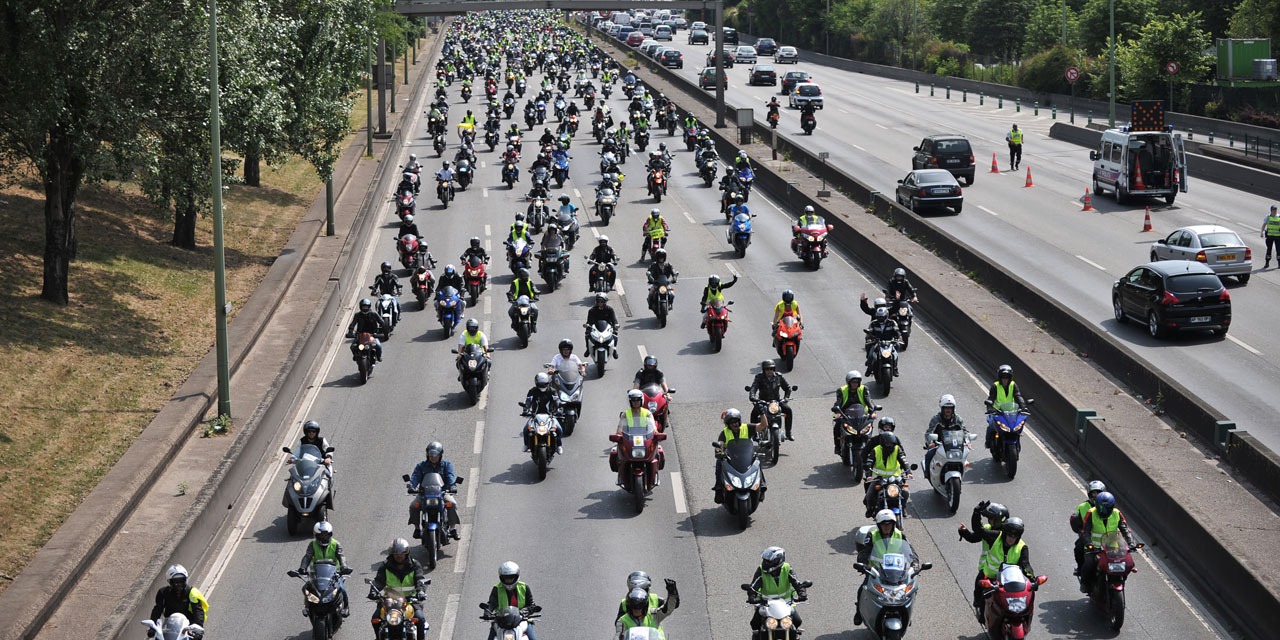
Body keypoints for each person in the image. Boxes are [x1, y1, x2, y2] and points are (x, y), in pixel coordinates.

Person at [961, 516, 1035, 622]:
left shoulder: (1022, 547)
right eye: (1009, 535)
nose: (1011, 538)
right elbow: (979, 531)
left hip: (1009, 582)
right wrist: (976, 513)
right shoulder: (995, 537)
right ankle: (982, 614)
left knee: (1023, 605)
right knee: (980, 594)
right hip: (990, 578)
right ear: (1005, 533)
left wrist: (1032, 580)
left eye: (1014, 536)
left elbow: (1026, 565)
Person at [854, 509, 919, 626]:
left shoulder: (900, 535)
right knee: (862, 589)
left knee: (912, 588)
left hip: (897, 572)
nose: (887, 527)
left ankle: (907, 612)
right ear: (879, 525)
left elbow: (910, 552)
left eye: (889, 524)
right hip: (876, 571)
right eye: (884, 524)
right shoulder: (872, 535)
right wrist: (864, 564)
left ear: (894, 524)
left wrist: (914, 563)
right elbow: (864, 552)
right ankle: (858, 612)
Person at [958, 500, 1011, 621]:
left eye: (992, 518)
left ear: (999, 520)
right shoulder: (989, 529)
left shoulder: (1001, 534)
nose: (989, 521)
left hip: (1003, 574)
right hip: (985, 570)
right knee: (979, 593)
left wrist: (976, 513)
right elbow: (975, 536)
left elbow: (979, 530)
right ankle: (982, 614)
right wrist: (964, 532)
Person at [1077, 492, 1137, 592]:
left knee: (1127, 564)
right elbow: (1085, 532)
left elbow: (1124, 529)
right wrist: (1089, 544)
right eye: (1101, 508)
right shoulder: (1091, 513)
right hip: (1095, 549)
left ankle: (1119, 580)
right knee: (1089, 564)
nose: (1104, 511)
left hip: (1112, 548)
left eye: (1107, 508)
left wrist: (1131, 543)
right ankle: (1085, 583)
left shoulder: (1117, 513)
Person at [370, 538, 428, 640]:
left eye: (402, 553)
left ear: (406, 553)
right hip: (389, 601)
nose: (399, 555)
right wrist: (373, 591)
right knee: (375, 619)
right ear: (392, 553)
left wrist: (421, 591)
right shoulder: (385, 566)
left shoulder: (414, 565)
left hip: (411, 600)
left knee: (420, 618)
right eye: (396, 553)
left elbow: (420, 579)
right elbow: (378, 581)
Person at [407, 441, 461, 541]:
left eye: (435, 455)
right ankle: (417, 528)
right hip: (424, 494)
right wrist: (411, 486)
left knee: (452, 504)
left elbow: (450, 476)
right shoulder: (421, 466)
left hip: (442, 493)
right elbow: (415, 477)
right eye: (431, 455)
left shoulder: (446, 465)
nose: (433, 457)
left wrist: (452, 486)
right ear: (427, 454)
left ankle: (453, 529)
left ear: (440, 455)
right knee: (413, 506)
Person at [712, 408, 768, 503]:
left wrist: (762, 413)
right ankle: (718, 489)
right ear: (728, 424)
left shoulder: (747, 428)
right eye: (732, 423)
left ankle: (762, 486)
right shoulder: (724, 433)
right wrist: (718, 452)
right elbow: (720, 444)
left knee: (757, 461)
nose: (735, 424)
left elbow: (763, 425)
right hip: (731, 458)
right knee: (719, 462)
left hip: (746, 457)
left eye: (736, 421)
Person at [746, 547, 807, 633]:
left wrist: (802, 593)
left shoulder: (787, 568)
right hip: (765, 604)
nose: (766, 563)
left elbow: (797, 583)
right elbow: (754, 585)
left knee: (797, 621)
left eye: (769, 561)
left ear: (778, 561)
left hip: (786, 604)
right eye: (765, 560)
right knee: (755, 624)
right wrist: (751, 596)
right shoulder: (761, 570)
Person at [297, 522, 350, 617]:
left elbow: (341, 557)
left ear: (330, 534)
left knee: (341, 588)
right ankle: (307, 607)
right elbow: (307, 557)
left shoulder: (335, 544)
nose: (323, 537)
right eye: (321, 535)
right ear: (316, 535)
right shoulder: (312, 544)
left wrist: (344, 567)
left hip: (334, 572)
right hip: (317, 572)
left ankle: (346, 607)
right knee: (306, 588)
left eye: (326, 535)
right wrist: (303, 567)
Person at [487, 562, 540, 640]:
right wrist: (487, 612)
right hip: (501, 620)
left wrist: (526, 611)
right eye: (506, 578)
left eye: (511, 577)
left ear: (516, 576)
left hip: (522, 620)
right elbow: (491, 603)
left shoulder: (524, 587)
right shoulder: (497, 588)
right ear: (501, 577)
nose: (508, 580)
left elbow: (531, 604)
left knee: (533, 639)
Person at [863, 430, 910, 518]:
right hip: (878, 478)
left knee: (906, 492)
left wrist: (908, 472)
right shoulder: (876, 450)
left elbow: (904, 461)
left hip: (895, 477)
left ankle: (903, 508)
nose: (890, 446)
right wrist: (869, 476)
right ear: (883, 443)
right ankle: (870, 509)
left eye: (892, 444)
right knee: (869, 495)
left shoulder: (897, 449)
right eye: (888, 444)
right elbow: (869, 463)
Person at [149, 564, 209, 632]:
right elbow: (157, 610)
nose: (178, 584)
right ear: (170, 581)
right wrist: (152, 627)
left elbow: (198, 611)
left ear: (185, 580)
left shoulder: (192, 593)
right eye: (175, 581)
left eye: (181, 580)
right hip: (169, 629)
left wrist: (198, 627)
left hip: (188, 628)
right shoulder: (163, 592)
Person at [831, 371, 876, 454]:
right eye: (853, 382)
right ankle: (837, 446)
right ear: (849, 382)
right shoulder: (841, 390)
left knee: (869, 426)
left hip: (862, 415)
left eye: (857, 382)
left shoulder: (864, 389)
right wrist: (838, 412)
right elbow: (838, 402)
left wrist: (872, 412)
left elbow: (868, 401)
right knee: (837, 427)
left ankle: (869, 445)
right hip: (845, 415)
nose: (855, 384)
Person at [749, 359, 795, 440]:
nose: (769, 371)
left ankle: (788, 432)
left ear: (774, 369)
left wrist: (786, 398)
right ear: (764, 370)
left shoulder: (779, 377)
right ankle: (754, 433)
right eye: (767, 369)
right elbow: (753, 388)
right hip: (763, 402)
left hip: (776, 402)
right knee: (754, 413)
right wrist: (753, 397)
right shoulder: (759, 377)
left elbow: (788, 388)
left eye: (771, 369)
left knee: (788, 410)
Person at [923, 394, 966, 479]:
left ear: (953, 409)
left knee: (965, 456)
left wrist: (968, 441)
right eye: (946, 408)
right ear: (942, 408)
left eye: (950, 408)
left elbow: (964, 431)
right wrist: (931, 443)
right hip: (939, 445)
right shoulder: (936, 419)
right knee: (929, 455)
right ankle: (928, 474)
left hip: (954, 446)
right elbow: (929, 432)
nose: (948, 410)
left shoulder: (958, 419)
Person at [984, 364, 1027, 448]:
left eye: (1007, 377)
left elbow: (1018, 396)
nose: (1005, 379)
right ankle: (988, 442)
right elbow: (991, 398)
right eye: (1003, 377)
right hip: (997, 412)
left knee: (1017, 426)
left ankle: (1016, 440)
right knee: (991, 426)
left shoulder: (1013, 385)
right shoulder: (995, 386)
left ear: (1010, 378)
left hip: (1011, 412)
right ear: (1000, 377)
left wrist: (1023, 407)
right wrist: (990, 408)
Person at [1070, 480, 1108, 569]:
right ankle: (1080, 569)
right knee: (1078, 548)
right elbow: (1077, 524)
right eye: (1094, 493)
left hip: (1108, 539)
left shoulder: (1108, 506)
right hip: (1088, 538)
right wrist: (1083, 536)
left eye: (1099, 493)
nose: (1096, 496)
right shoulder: (1082, 507)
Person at [521, 373, 562, 454]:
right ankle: (526, 445)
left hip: (550, 416)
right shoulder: (532, 391)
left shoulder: (552, 391)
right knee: (526, 429)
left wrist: (559, 409)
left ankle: (559, 446)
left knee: (559, 429)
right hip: (535, 416)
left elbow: (557, 401)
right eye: (540, 384)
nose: (542, 386)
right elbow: (528, 401)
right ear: (536, 383)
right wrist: (526, 410)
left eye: (544, 384)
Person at [614, 572, 679, 621]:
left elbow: (671, 607)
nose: (637, 609)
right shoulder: (624, 607)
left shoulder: (654, 613)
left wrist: (672, 593)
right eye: (634, 607)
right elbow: (618, 625)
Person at [345, 298, 388, 364]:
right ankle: (356, 356)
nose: (365, 308)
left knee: (378, 346)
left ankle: (379, 357)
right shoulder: (357, 315)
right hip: (360, 335)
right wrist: (350, 332)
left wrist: (383, 330)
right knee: (353, 346)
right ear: (360, 307)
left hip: (372, 334)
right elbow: (352, 324)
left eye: (366, 307)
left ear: (369, 306)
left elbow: (382, 322)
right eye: (363, 307)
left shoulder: (374, 314)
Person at [864, 307, 902, 374]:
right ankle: (869, 368)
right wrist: (869, 339)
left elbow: (897, 331)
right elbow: (869, 332)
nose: (880, 319)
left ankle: (895, 368)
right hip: (877, 342)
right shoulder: (873, 323)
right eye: (879, 317)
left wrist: (898, 337)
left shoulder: (892, 322)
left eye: (882, 317)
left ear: (886, 316)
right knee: (870, 354)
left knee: (896, 350)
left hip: (889, 343)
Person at [1263, 204, 1280, 268]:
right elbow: (1264, 224)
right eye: (1273, 210)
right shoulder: (1268, 217)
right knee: (1269, 250)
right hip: (1270, 236)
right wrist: (1261, 232)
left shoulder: (1279, 217)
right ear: (1271, 211)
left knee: (1278, 250)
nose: (1275, 211)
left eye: (1275, 210)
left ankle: (1279, 264)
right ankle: (1267, 263)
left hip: (1278, 236)